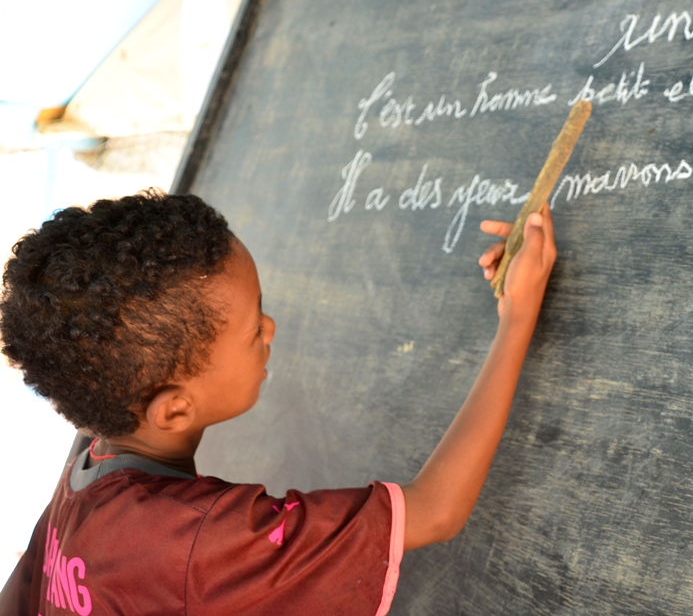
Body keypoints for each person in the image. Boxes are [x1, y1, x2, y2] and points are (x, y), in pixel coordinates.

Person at [0, 190, 556, 615]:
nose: (270, 327)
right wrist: (518, 318)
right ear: (173, 409)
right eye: (251, 329)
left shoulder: (87, 469)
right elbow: (434, 511)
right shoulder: (195, 539)